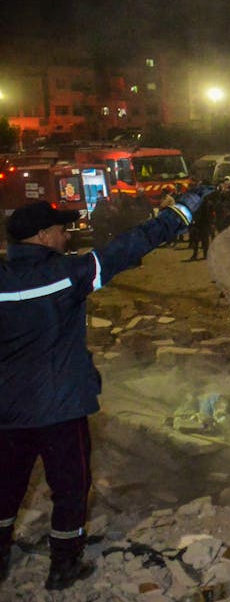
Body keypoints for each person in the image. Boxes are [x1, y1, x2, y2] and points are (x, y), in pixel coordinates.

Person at [0, 190, 209, 590]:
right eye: (61, 229)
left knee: (5, 487)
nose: (68, 234)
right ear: (43, 236)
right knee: (71, 487)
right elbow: (126, 248)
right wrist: (179, 213)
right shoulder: (64, 275)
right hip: (59, 409)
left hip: (8, 411)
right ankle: (63, 566)